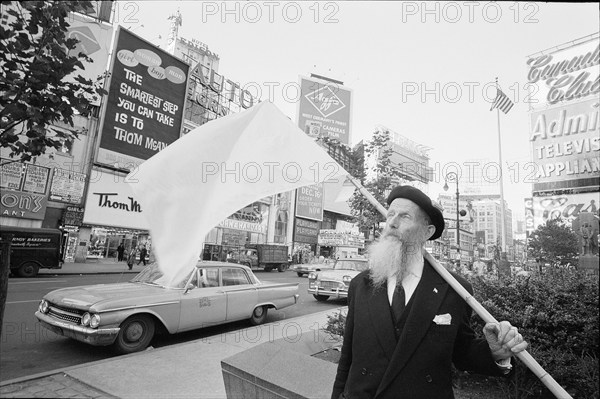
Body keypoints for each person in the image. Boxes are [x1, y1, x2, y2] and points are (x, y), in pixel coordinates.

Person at [331, 185, 528, 399]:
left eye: (405, 216)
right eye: (390, 215)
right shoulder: (361, 284)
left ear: (428, 232)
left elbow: (461, 353)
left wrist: (495, 353)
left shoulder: (454, 290)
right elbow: (347, 358)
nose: (392, 223)